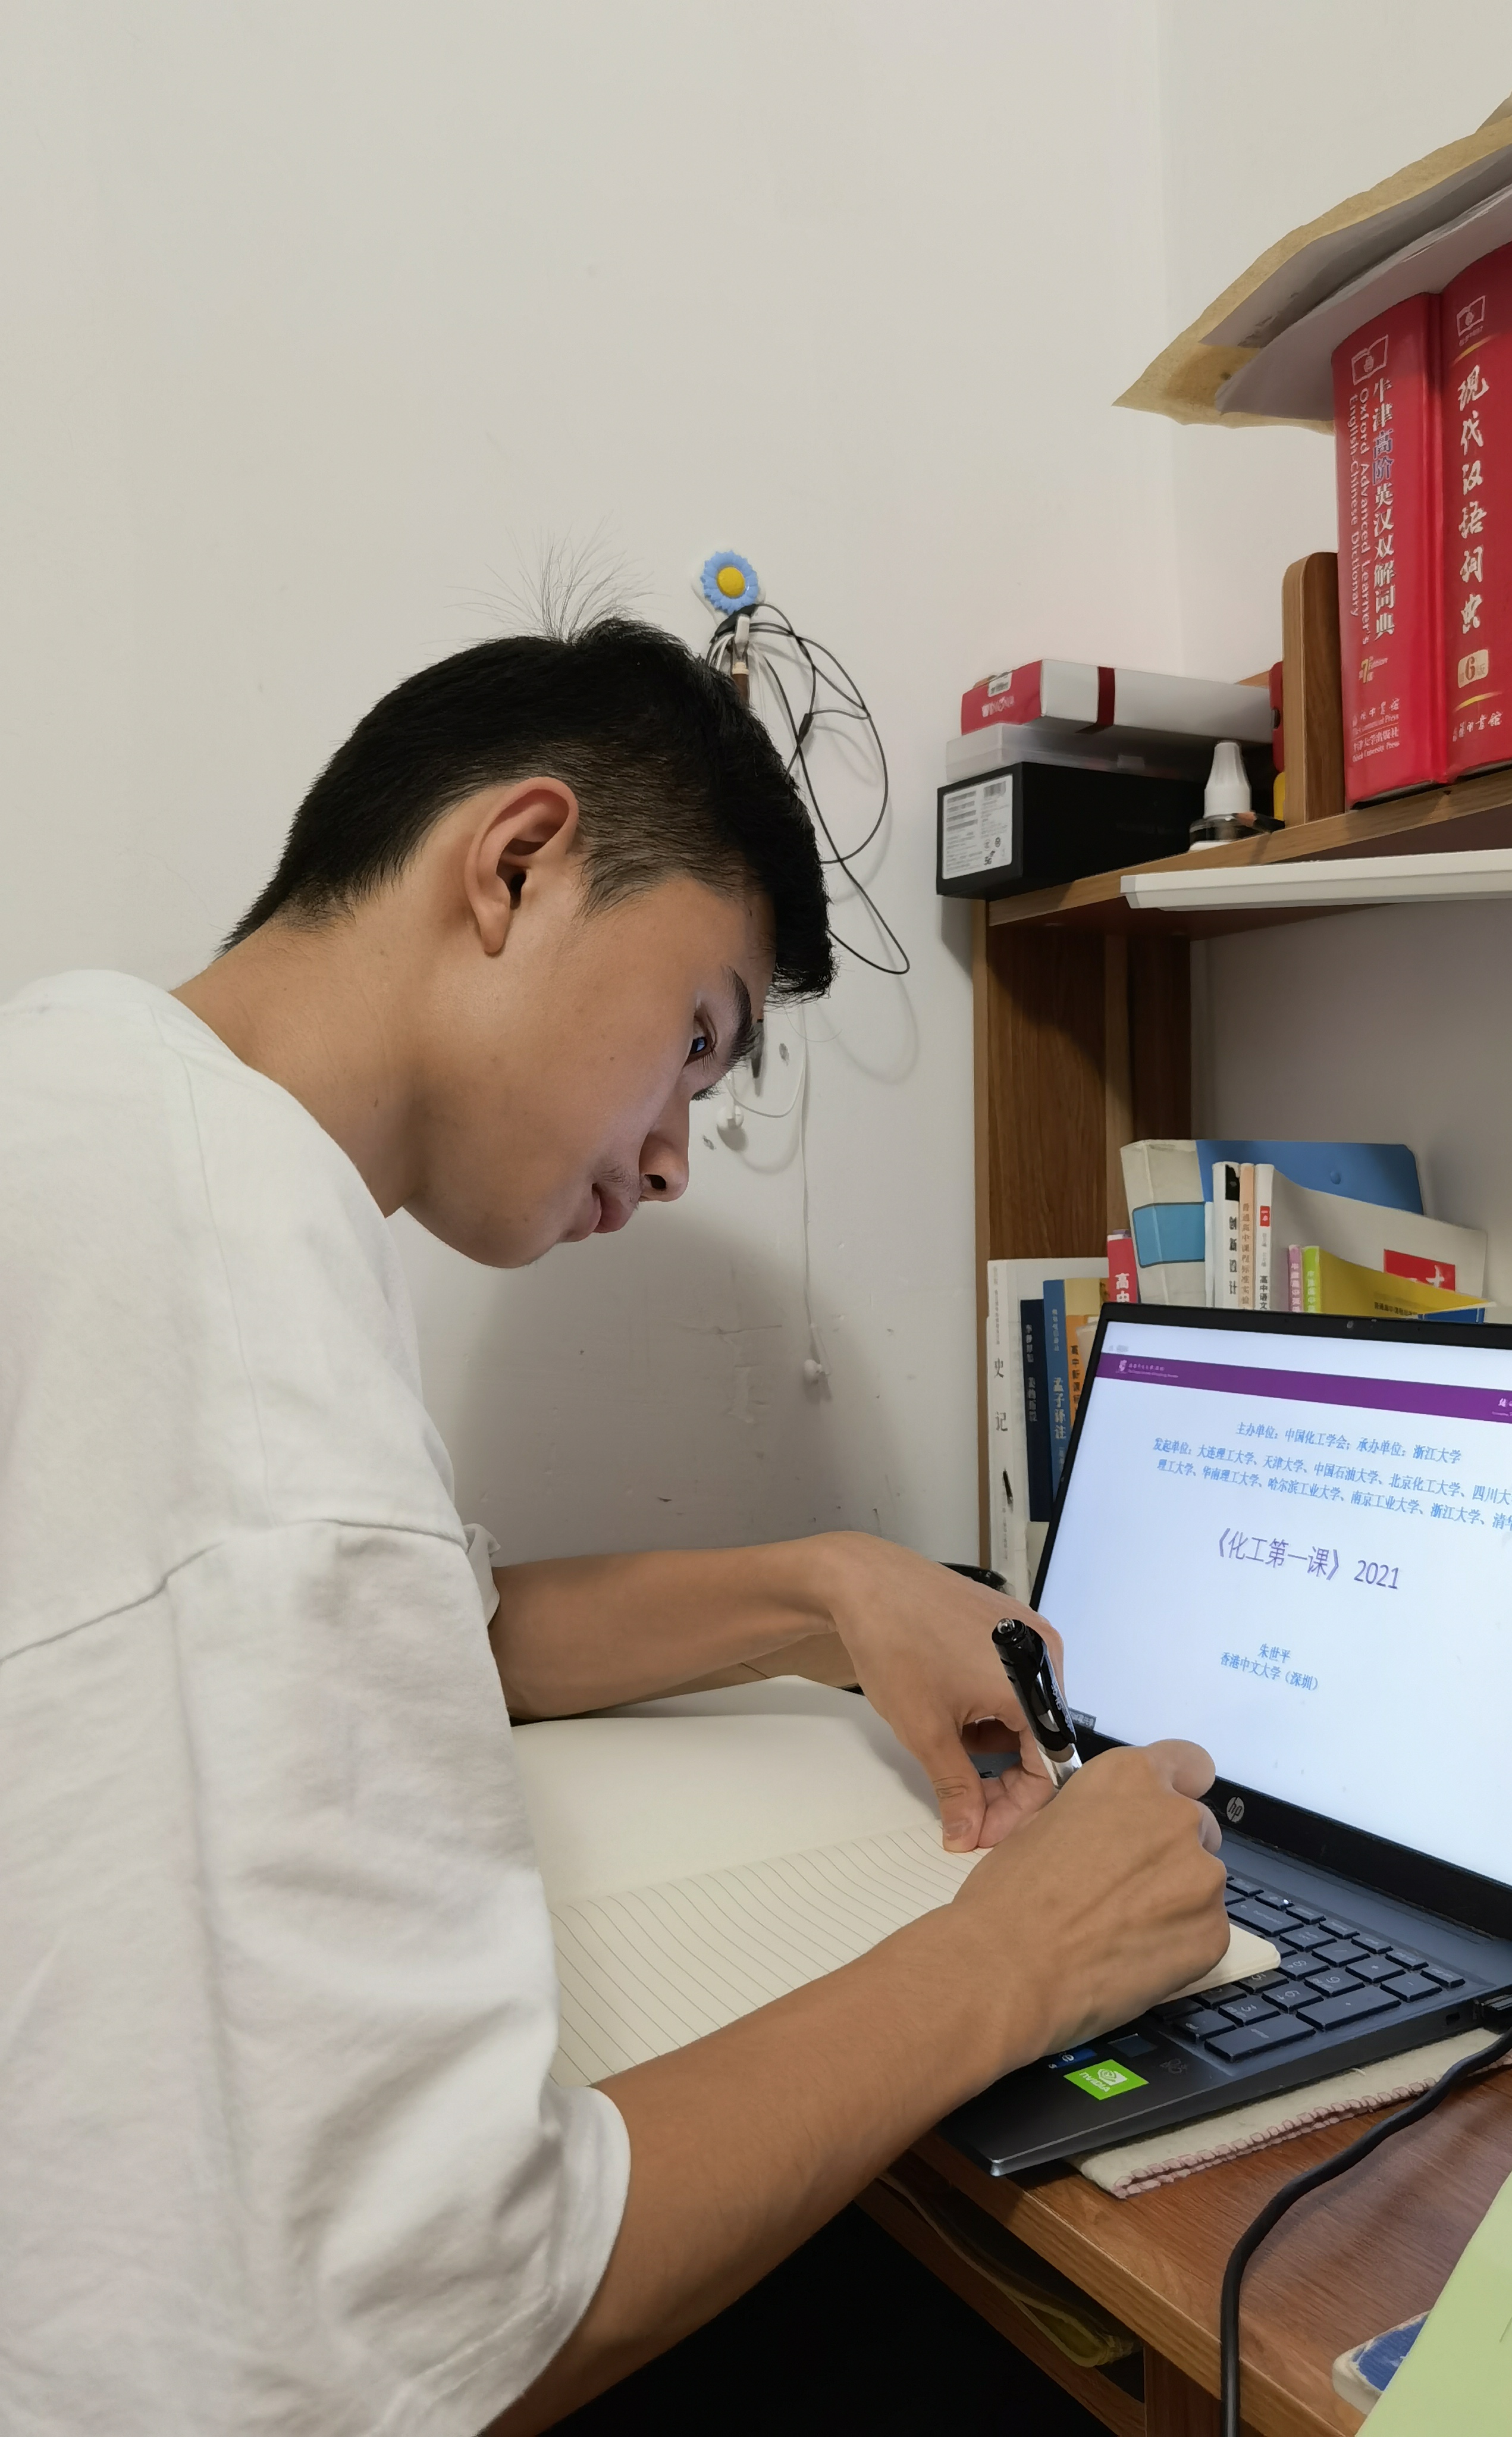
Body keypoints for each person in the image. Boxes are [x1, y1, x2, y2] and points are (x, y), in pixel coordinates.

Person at [0, 613, 1230, 2435]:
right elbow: (441, 2315)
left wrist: (825, 1589)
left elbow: (441, 1630)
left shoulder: (104, 1090)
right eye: (697, 1041)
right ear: (516, 865)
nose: (668, 1158)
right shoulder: (248, 1352)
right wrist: (1017, 1957)